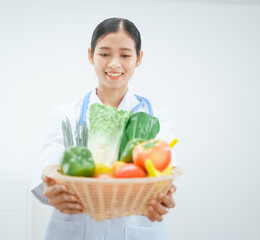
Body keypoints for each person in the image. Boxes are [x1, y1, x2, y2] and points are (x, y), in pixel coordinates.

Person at [31, 17, 178, 240]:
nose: (114, 64)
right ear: (91, 55)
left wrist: (163, 197)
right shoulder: (66, 115)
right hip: (74, 228)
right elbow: (48, 167)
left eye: (125, 55)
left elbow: (165, 174)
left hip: (134, 228)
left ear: (139, 58)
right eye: (105, 53)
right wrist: (51, 189)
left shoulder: (155, 117)